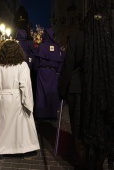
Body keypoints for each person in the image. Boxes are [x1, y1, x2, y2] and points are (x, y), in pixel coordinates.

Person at [59, 0, 114, 169]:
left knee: (79, 129)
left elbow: (68, 67)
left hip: (77, 91)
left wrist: (61, 91)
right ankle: (97, 161)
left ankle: (84, 162)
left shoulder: (76, 38)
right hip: (103, 91)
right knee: (100, 127)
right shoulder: (109, 40)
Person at [0, 40, 40, 158]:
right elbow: (25, 86)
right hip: (17, 98)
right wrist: (28, 103)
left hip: (3, 99)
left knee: (3, 125)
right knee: (20, 125)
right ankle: (23, 147)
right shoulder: (22, 65)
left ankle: (1, 148)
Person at [33, 28, 64, 120]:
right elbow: (60, 61)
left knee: (41, 93)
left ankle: (41, 114)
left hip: (42, 72)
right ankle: (51, 113)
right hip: (53, 73)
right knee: (52, 93)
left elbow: (36, 61)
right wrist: (57, 71)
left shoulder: (41, 46)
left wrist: (36, 69)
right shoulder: (56, 47)